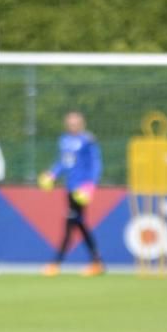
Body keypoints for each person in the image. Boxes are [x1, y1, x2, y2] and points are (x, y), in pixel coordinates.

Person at [38, 111, 105, 277]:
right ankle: (97, 262)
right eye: (70, 123)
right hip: (69, 188)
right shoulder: (64, 140)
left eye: (75, 123)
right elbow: (63, 162)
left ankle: (56, 263)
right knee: (79, 224)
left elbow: (95, 164)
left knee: (71, 223)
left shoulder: (88, 140)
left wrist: (90, 185)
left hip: (82, 191)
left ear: (82, 124)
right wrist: (52, 174)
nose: (72, 126)